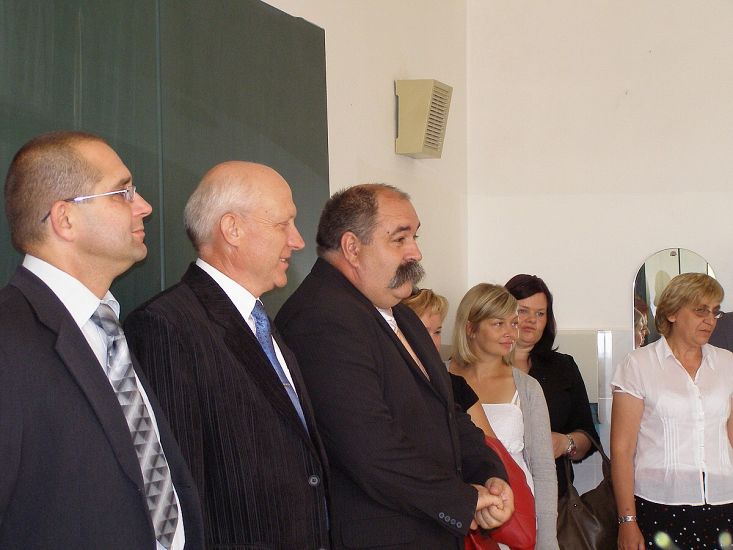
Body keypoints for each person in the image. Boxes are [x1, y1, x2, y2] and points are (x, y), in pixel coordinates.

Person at [276, 183, 514, 549]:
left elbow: (448, 412)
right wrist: (462, 501)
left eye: (415, 237)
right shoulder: (322, 318)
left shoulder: (401, 314)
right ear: (352, 247)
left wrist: (489, 474)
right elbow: (369, 448)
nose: (415, 252)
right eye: (399, 239)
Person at [0, 131, 204, 550]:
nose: (144, 206)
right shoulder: (9, 340)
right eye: (122, 192)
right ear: (65, 219)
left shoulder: (107, 330)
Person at [124, 161, 330, 549]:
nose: (298, 241)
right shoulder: (166, 327)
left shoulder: (262, 323)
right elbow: (181, 489)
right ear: (232, 229)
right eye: (283, 224)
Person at [611, 272, 733, 549]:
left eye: (714, 311)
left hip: (724, 500)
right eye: (700, 310)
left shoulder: (728, 363)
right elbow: (622, 449)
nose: (710, 320)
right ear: (672, 313)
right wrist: (627, 521)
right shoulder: (638, 364)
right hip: (660, 503)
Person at [449, 283, 559, 550]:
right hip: (457, 512)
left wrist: (546, 540)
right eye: (499, 324)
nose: (511, 333)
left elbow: (543, 469)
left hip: (513, 510)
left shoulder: (527, 388)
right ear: (470, 328)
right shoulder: (440, 378)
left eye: (513, 323)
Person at [504, 274, 599, 498]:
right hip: (498, 494)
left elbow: (588, 436)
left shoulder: (563, 367)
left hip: (554, 497)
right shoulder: (483, 366)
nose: (531, 320)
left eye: (540, 313)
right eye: (522, 311)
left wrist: (566, 443)